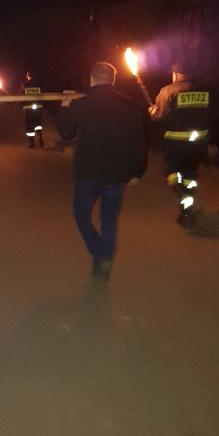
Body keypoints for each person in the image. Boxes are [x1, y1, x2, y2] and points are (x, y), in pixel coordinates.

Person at [57, 62, 147, 280]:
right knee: (109, 219)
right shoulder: (129, 104)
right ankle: (104, 257)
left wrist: (65, 108)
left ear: (92, 78)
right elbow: (138, 140)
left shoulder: (82, 104)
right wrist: (137, 171)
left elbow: (66, 134)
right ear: (113, 80)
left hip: (88, 172)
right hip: (117, 174)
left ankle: (100, 254)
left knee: (81, 214)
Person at [149, 64, 211, 232]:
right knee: (190, 175)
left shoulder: (168, 91)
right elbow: (211, 115)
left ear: (175, 74)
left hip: (176, 142)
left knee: (172, 173)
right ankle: (186, 210)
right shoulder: (203, 91)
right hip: (199, 143)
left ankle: (187, 202)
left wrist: (153, 112)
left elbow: (161, 116)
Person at [20, 70, 45, 148]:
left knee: (29, 125)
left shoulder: (25, 84)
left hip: (28, 108)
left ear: (28, 76)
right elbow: (43, 95)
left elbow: (21, 95)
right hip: (38, 108)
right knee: (38, 124)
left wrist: (20, 105)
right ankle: (40, 139)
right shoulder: (39, 84)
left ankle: (32, 143)